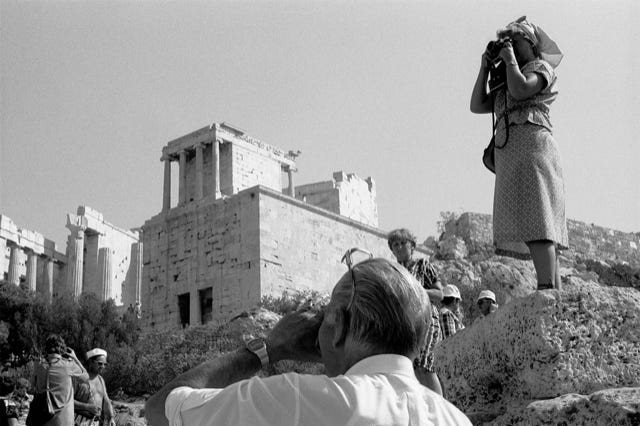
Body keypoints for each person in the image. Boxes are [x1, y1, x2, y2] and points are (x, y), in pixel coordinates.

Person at [145, 258, 472, 426]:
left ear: (340, 326)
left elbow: (161, 410)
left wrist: (268, 349)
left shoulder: (298, 399)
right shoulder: (456, 419)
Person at [470, 16, 568, 291]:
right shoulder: (507, 77)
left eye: (515, 39)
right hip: (513, 152)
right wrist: (485, 67)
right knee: (530, 220)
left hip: (534, 148)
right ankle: (551, 289)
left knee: (539, 219)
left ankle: (548, 288)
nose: (509, 43)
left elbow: (522, 88)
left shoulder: (540, 68)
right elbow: (477, 105)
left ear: (531, 43)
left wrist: (510, 60)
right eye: (506, 40)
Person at [387, 228, 444, 395]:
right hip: (406, 324)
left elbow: (440, 294)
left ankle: (440, 408)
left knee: (424, 365)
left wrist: (417, 290)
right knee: (411, 367)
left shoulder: (423, 265)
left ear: (412, 246)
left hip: (426, 319)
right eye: (395, 244)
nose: (399, 247)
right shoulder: (394, 272)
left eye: (403, 243)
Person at [28, 334, 89, 426]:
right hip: (63, 420)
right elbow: (86, 378)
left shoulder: (39, 366)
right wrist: (75, 358)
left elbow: (32, 386)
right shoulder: (68, 365)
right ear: (62, 348)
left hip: (42, 418)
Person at [74, 349, 115, 426]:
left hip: (95, 423)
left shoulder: (101, 380)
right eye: (100, 363)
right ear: (90, 362)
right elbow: (68, 401)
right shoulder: (79, 378)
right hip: (78, 421)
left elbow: (106, 400)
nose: (102, 366)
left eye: (105, 364)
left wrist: (111, 417)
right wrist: (87, 407)